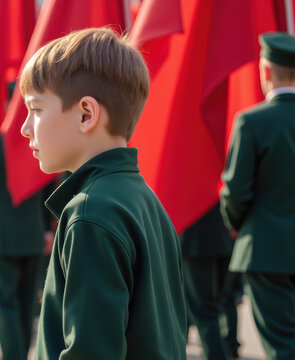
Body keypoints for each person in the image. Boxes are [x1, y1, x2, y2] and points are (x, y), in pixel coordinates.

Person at [20, 28, 187, 359]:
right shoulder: (144, 199)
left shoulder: (90, 213)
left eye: (36, 109)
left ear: (86, 114)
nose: (26, 127)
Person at [220, 32, 295, 360]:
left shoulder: (251, 121)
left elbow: (236, 192)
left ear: (265, 71)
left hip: (265, 250)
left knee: (282, 346)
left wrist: (239, 224)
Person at [0, 134, 53, 360]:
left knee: (6, 304)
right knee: (27, 303)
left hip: (2, 237)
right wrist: (46, 226)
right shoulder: (40, 141)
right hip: (34, 235)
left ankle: (13, 356)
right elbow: (50, 188)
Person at [180, 204, 240, 359]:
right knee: (221, 302)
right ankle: (230, 346)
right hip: (226, 236)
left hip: (194, 239)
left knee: (204, 312)